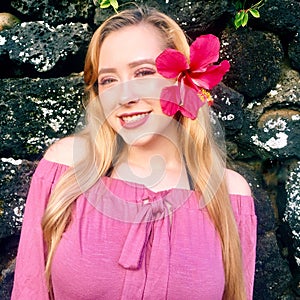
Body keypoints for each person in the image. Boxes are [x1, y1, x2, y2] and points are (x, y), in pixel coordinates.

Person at [11, 6, 257, 300]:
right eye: (109, 80)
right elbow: (30, 289)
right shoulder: (65, 170)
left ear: (181, 79)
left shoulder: (230, 196)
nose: (125, 97)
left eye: (143, 72)